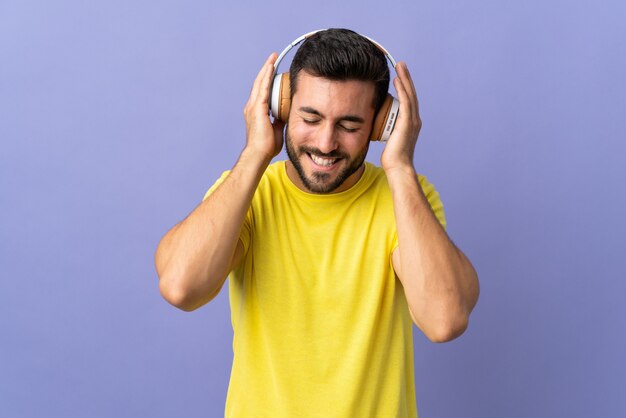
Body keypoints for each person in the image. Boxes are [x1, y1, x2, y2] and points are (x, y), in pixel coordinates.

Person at [155, 28, 479, 417]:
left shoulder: (406, 199)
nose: (326, 143)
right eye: (310, 117)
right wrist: (256, 151)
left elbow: (444, 320)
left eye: (349, 125)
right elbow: (180, 287)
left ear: (382, 126)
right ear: (282, 107)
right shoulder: (249, 194)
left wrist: (401, 166)